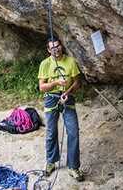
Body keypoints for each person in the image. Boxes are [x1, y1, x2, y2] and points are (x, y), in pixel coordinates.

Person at [38, 36, 84, 182]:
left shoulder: (70, 62)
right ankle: (51, 162)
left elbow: (77, 82)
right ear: (48, 50)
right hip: (51, 98)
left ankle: (73, 166)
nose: (56, 50)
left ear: (61, 47)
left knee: (73, 131)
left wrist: (68, 92)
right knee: (51, 132)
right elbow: (42, 87)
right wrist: (56, 82)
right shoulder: (45, 64)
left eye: (58, 46)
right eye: (53, 48)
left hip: (66, 98)